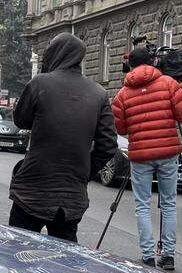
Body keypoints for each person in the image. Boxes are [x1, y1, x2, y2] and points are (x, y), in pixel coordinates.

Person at [9, 33, 117, 242]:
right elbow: (108, 144)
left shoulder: (39, 84)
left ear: (54, 55)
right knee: (66, 263)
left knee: (16, 252)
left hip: (32, 191)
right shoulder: (98, 93)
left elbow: (21, 120)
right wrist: (84, 171)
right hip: (72, 195)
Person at [111, 47, 182, 270]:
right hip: (168, 152)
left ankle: (147, 255)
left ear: (130, 66)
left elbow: (121, 128)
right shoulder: (168, 83)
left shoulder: (122, 95)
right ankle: (167, 256)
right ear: (152, 62)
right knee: (168, 203)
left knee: (142, 205)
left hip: (140, 155)